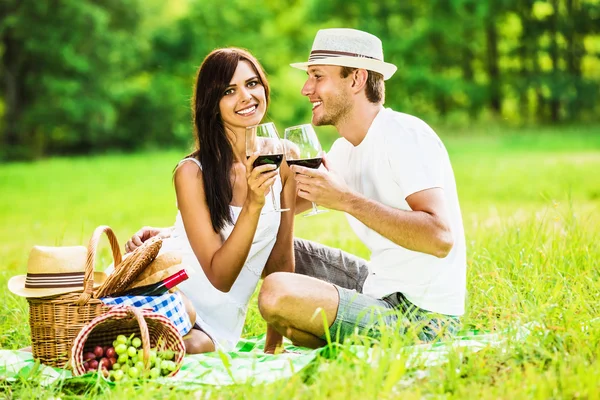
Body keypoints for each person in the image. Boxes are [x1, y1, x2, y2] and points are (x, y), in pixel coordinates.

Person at [256, 28, 467, 347]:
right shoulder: (344, 151)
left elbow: (440, 238)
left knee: (277, 293)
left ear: (356, 79)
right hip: (380, 286)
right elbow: (274, 210)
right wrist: (176, 236)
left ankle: (332, 331)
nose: (306, 89)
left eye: (317, 76)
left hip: (424, 318)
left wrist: (346, 200)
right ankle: (334, 331)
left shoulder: (404, 135)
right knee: (268, 245)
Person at [142, 48, 296, 354]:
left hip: (219, 322)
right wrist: (253, 203)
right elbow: (219, 276)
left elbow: (280, 260)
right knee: (174, 344)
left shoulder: (283, 159)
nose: (246, 97)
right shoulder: (192, 173)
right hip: (173, 295)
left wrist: (273, 348)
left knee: (195, 345)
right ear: (212, 104)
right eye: (229, 90)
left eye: (252, 84)